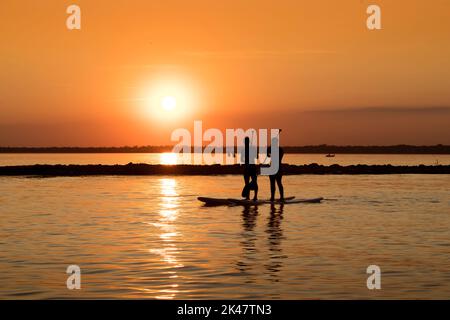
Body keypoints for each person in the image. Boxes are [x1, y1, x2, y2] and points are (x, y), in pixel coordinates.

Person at [241, 136, 258, 201]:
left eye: (247, 142)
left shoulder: (253, 149)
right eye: (245, 142)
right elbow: (242, 159)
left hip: (252, 168)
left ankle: (255, 196)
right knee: (247, 184)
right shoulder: (243, 150)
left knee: (254, 182)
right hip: (246, 169)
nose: (246, 143)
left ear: (249, 142)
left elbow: (256, 157)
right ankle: (247, 197)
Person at [268, 137, 284, 202]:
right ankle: (272, 197)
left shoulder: (280, 150)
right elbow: (267, 153)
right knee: (272, 183)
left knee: (279, 183)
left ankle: (282, 197)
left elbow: (279, 156)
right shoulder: (272, 149)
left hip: (278, 168)